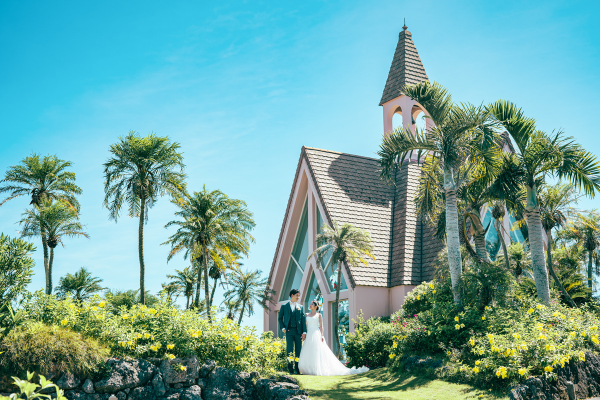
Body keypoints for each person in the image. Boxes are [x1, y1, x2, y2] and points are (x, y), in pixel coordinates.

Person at [298, 300, 369, 376]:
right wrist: (303, 333)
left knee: (317, 351)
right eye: (310, 303)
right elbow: (303, 325)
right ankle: (308, 368)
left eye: (312, 304)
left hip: (316, 333)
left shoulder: (319, 315)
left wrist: (321, 335)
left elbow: (321, 326)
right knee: (308, 350)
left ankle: (316, 368)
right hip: (308, 333)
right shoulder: (306, 315)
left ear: (315, 307)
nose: (310, 305)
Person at [277, 288, 306, 374]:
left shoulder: (300, 307)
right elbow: (280, 318)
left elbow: (303, 320)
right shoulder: (284, 306)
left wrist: (304, 332)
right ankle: (290, 369)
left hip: (298, 332)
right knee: (289, 350)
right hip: (289, 331)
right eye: (297, 295)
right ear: (292, 295)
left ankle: (297, 369)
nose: (298, 297)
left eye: (299, 296)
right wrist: (283, 328)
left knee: (298, 350)